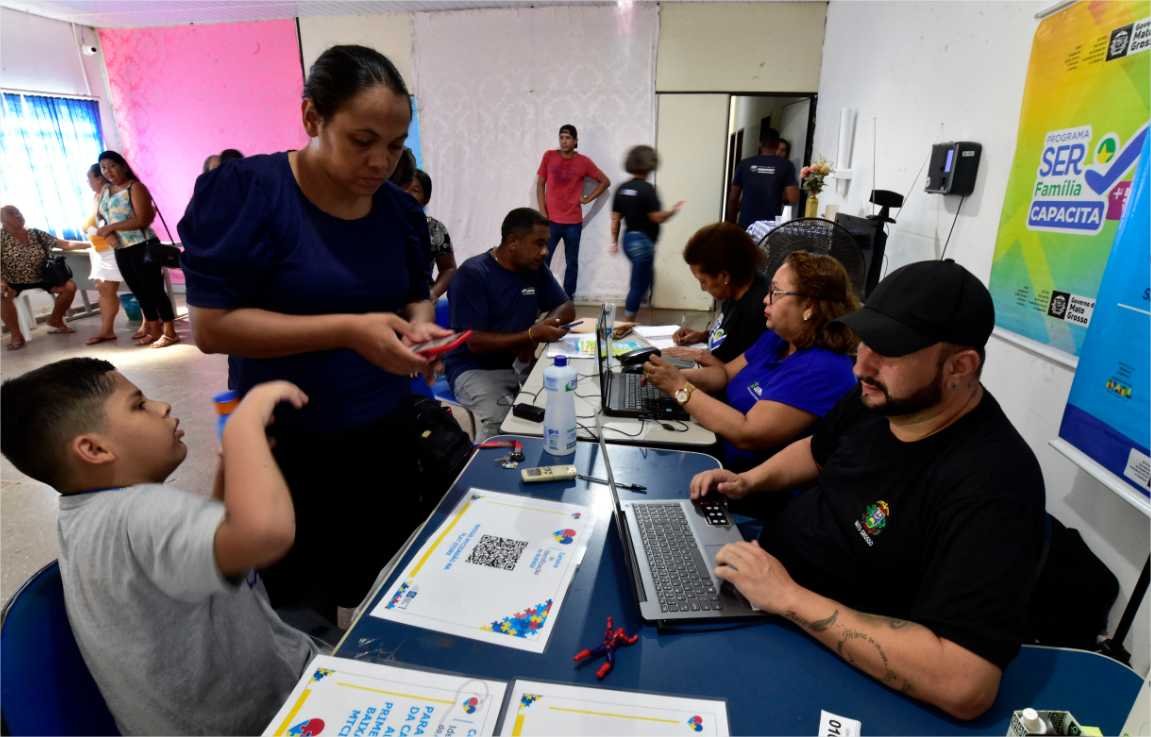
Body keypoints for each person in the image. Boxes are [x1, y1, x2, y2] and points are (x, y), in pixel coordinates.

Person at [689, 260, 1046, 720]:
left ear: (960, 366)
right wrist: (748, 481)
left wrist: (787, 597)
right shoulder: (879, 399)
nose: (862, 365)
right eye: (864, 343)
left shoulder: (995, 483)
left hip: (828, 663)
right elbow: (817, 451)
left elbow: (966, 683)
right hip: (765, 595)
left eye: (889, 352)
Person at [178, 45, 450, 624]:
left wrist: (422, 330)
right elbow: (211, 328)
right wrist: (348, 331)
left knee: (387, 590)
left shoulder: (398, 215)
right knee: (300, 610)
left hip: (381, 429)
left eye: (396, 145)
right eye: (362, 139)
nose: (382, 161)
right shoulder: (249, 193)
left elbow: (414, 293)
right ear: (312, 119)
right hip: (284, 439)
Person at [0, 359, 317, 735]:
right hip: (264, 722)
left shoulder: (87, 516)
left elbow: (203, 557)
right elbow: (267, 535)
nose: (162, 407)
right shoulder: (140, 513)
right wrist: (244, 427)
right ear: (94, 449)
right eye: (138, 405)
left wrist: (231, 471)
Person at [645, 251, 858, 471]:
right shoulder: (779, 339)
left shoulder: (823, 368)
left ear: (809, 307)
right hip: (713, 448)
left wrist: (680, 388)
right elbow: (725, 374)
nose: (766, 299)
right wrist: (672, 376)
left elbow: (748, 433)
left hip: (742, 481)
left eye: (776, 292)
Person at [446, 207, 575, 441]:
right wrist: (530, 335)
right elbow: (474, 342)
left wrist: (544, 324)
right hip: (475, 370)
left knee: (562, 410)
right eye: (538, 243)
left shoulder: (534, 269)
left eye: (546, 243)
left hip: (517, 364)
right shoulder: (473, 274)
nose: (545, 251)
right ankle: (483, 476)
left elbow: (567, 307)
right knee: (500, 429)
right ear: (513, 241)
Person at [97, 150, 180, 348]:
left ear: (123, 166)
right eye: (103, 167)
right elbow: (101, 217)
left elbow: (143, 219)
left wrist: (112, 227)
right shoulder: (105, 190)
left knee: (154, 290)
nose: (108, 171)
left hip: (143, 245)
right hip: (121, 248)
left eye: (112, 165)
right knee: (138, 291)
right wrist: (108, 234)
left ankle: (170, 331)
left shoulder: (135, 187)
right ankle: (153, 330)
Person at [670, 223, 770, 363]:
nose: (702, 288)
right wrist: (704, 336)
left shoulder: (755, 313)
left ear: (724, 277)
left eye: (703, 281)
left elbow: (733, 371)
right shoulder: (734, 290)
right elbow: (729, 336)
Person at [610, 145, 683, 320]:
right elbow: (657, 217)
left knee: (645, 278)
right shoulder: (648, 189)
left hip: (628, 240)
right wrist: (673, 211)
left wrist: (614, 242)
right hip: (643, 243)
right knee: (638, 284)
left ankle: (636, 310)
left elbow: (615, 220)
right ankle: (627, 322)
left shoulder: (621, 188)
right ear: (649, 165)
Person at [536, 124, 610, 297]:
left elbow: (605, 181)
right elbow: (540, 184)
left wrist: (587, 199)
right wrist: (542, 213)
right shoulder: (549, 156)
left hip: (573, 223)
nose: (564, 141)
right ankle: (541, 296)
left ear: (575, 141)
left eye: (568, 138)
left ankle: (568, 298)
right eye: (561, 137)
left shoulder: (583, 162)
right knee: (543, 259)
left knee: (572, 263)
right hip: (551, 220)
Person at [1, 205, 83, 350]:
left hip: (43, 277)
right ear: (3, 220)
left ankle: (55, 320)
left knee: (70, 287)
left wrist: (91, 244)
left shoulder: (35, 233)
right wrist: (1, 282)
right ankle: (16, 335)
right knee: (2, 296)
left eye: (18, 212)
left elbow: (64, 244)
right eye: (13, 214)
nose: (18, 215)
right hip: (14, 281)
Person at [81, 163, 123, 345]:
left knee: (111, 288)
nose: (88, 182)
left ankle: (151, 325)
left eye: (89, 178)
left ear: (99, 178)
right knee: (103, 288)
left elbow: (111, 222)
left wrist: (94, 231)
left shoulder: (110, 193)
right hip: (100, 250)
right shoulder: (96, 196)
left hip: (112, 248)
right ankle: (106, 330)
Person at [725, 127, 799, 228]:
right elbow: (793, 198)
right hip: (771, 227)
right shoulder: (786, 165)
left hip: (746, 224)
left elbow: (733, 198)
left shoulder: (744, 164)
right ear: (777, 145)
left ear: (759, 144)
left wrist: (731, 225)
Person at [406, 168, 457, 300]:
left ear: (426, 199)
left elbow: (449, 268)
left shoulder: (434, 228)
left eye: (414, 190)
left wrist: (432, 294)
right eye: (402, 187)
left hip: (419, 303)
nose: (406, 194)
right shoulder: (379, 222)